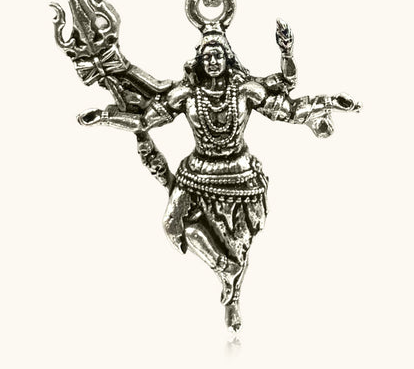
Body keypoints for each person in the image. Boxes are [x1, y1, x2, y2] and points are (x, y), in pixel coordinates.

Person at [81, 25, 360, 331]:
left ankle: (233, 298)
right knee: (172, 225)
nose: (213, 61)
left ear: (228, 58)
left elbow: (288, 111)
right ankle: (226, 269)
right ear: (199, 62)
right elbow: (143, 120)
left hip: (240, 175)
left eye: (218, 56)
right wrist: (105, 117)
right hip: (196, 173)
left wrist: (326, 100)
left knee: (238, 243)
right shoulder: (185, 94)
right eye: (207, 57)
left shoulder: (246, 91)